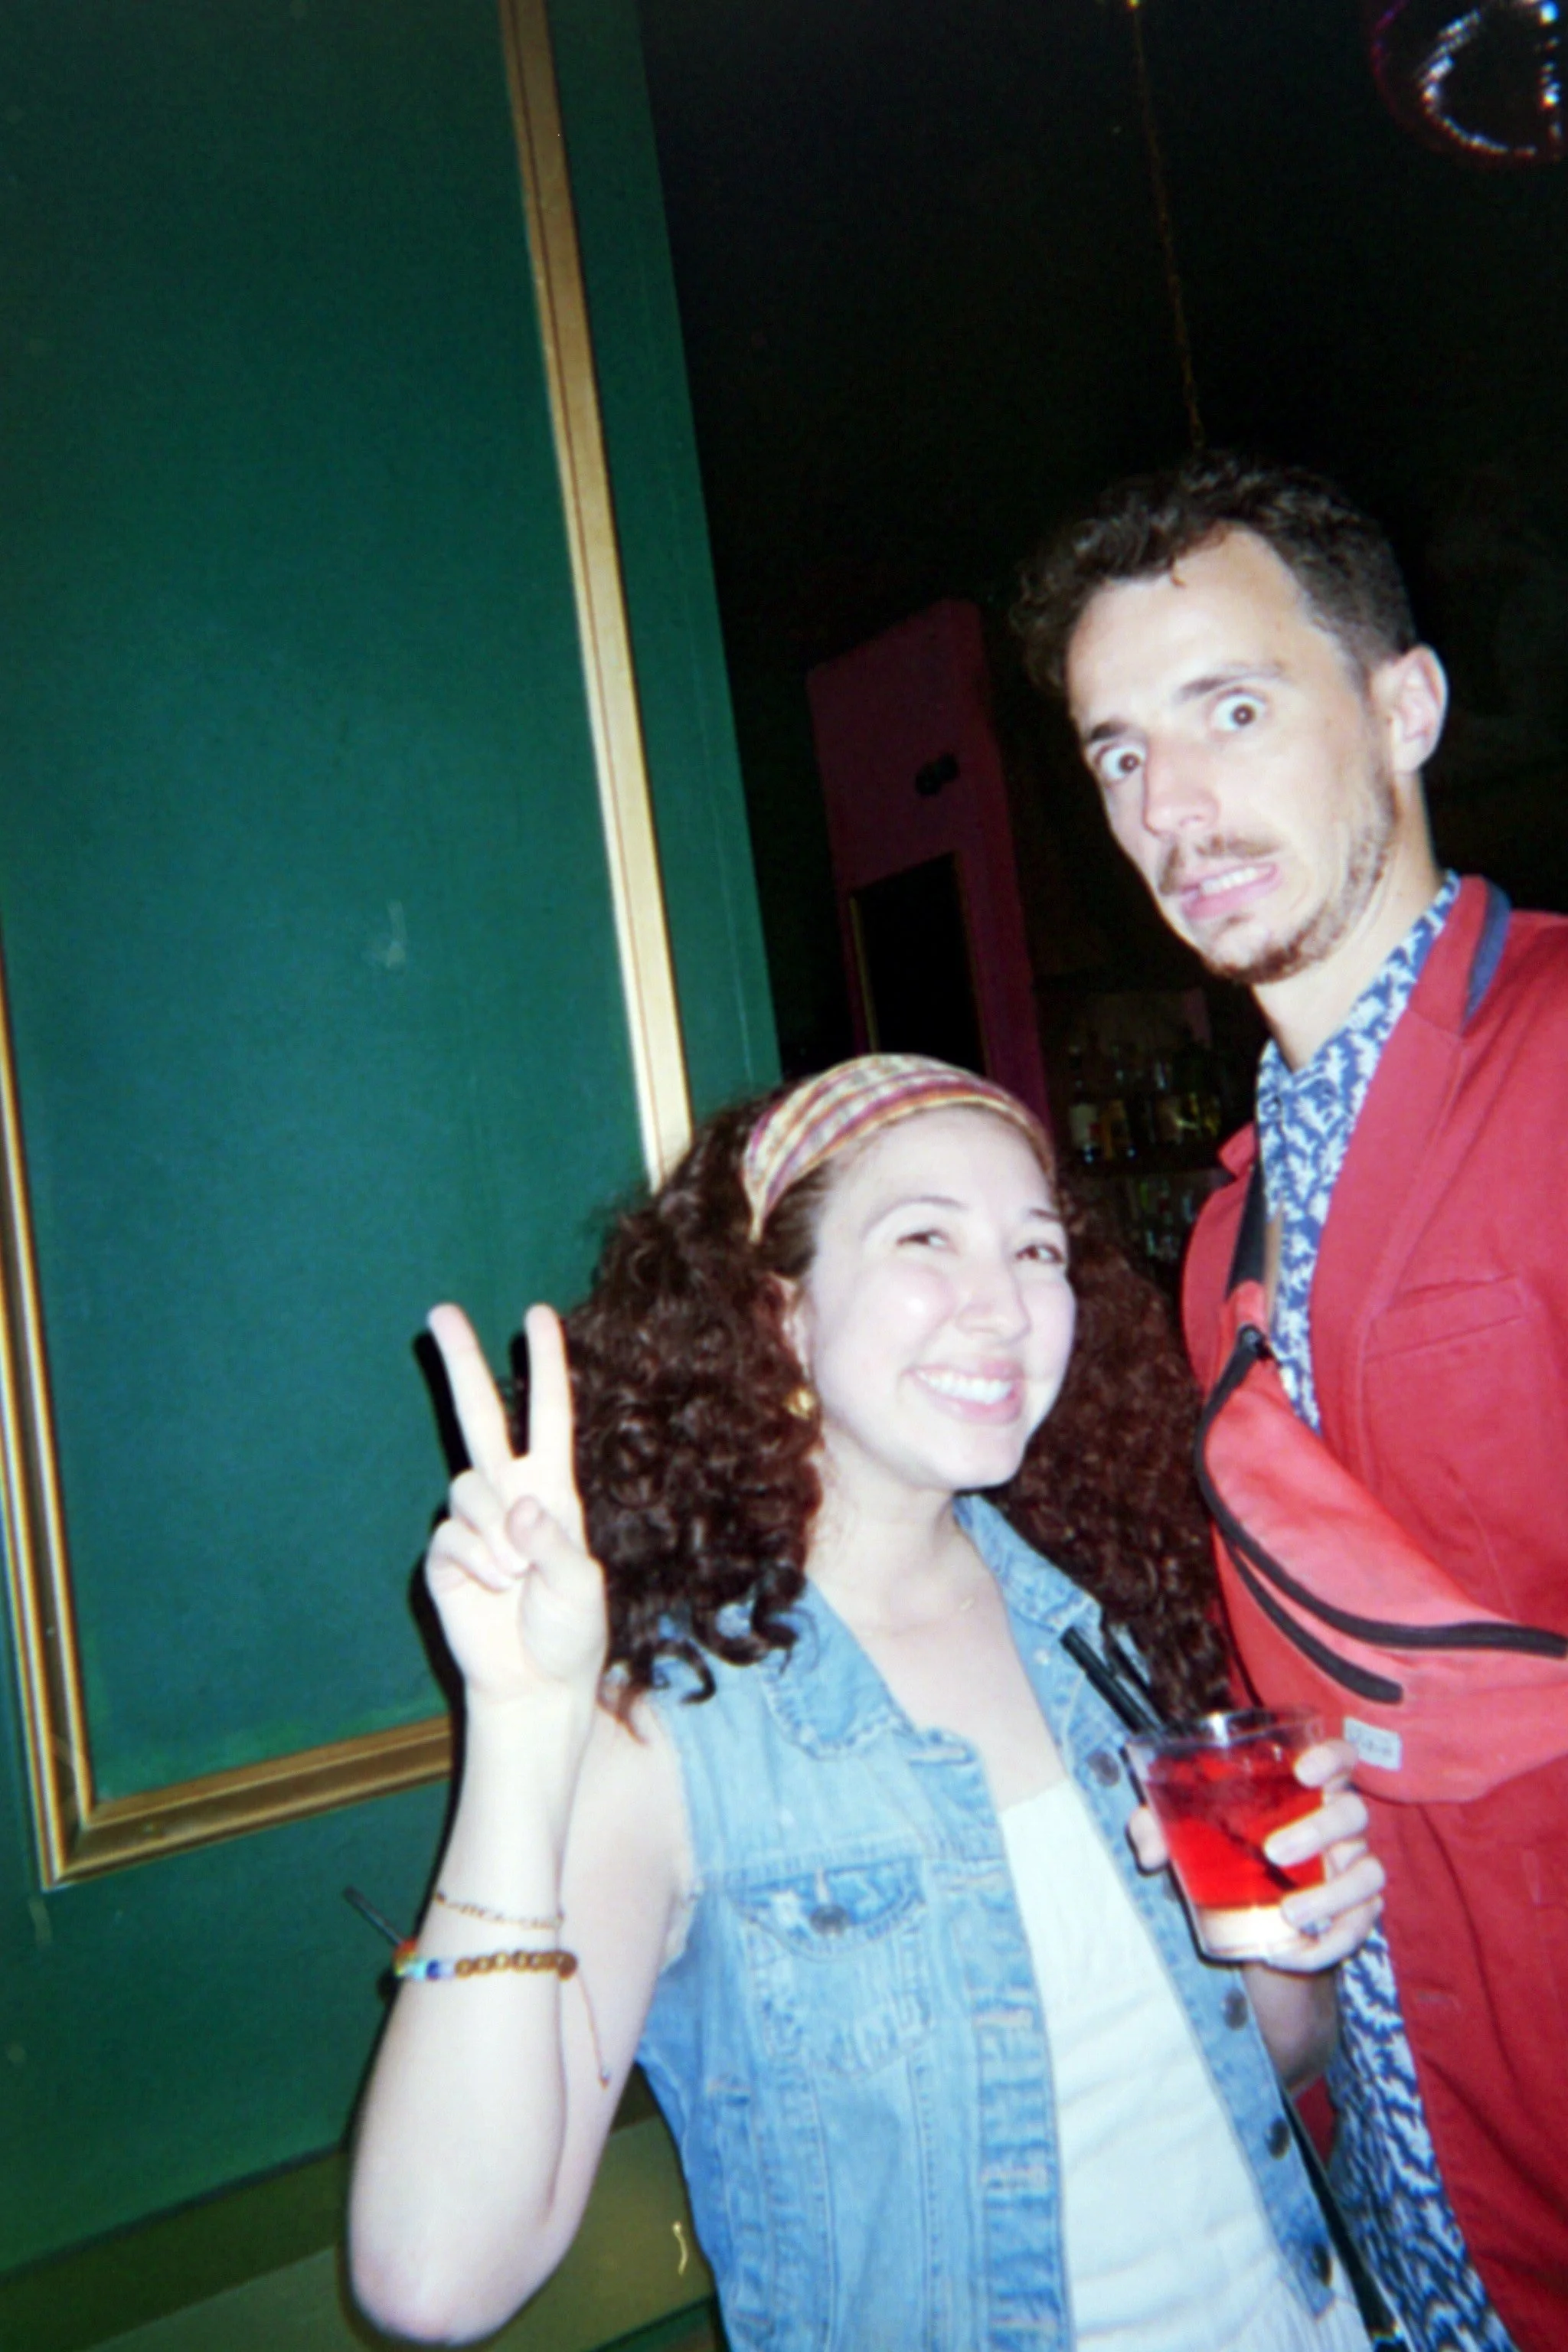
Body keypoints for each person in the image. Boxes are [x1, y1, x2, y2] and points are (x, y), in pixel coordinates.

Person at [348, 1054, 1383, 2350]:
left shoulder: (1095, 1627)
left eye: (1038, 1252)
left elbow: (1268, 2060)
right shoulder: (672, 1729)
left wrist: (1291, 1944)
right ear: (777, 1313)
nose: (1003, 1307)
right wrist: (518, 1722)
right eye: (925, 1239)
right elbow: (434, 2277)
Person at [1013, 452, 1568, 2352]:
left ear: (1403, 707)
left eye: (1230, 711)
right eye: (1117, 756)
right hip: (1397, 2181)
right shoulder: (1220, 1244)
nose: (1170, 808)